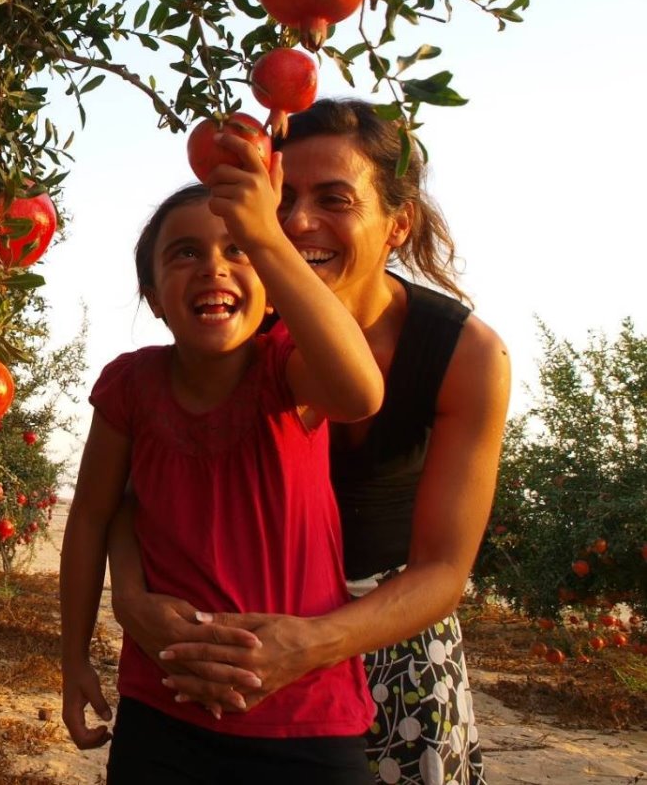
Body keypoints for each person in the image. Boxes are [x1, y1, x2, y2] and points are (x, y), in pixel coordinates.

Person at [104, 99, 510, 785]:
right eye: (282, 197)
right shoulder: (234, 323)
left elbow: (443, 569)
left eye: (335, 199)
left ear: (397, 223)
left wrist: (314, 641)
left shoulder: (464, 354)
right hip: (234, 656)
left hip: (393, 648)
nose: (295, 222)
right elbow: (132, 486)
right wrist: (133, 598)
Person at [60, 129, 386, 784]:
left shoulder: (288, 367)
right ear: (152, 296)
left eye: (237, 251)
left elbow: (361, 392)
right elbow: (93, 515)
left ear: (271, 286)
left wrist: (269, 236)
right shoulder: (130, 386)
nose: (213, 266)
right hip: (165, 708)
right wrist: (73, 658)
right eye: (184, 253)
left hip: (306, 718)